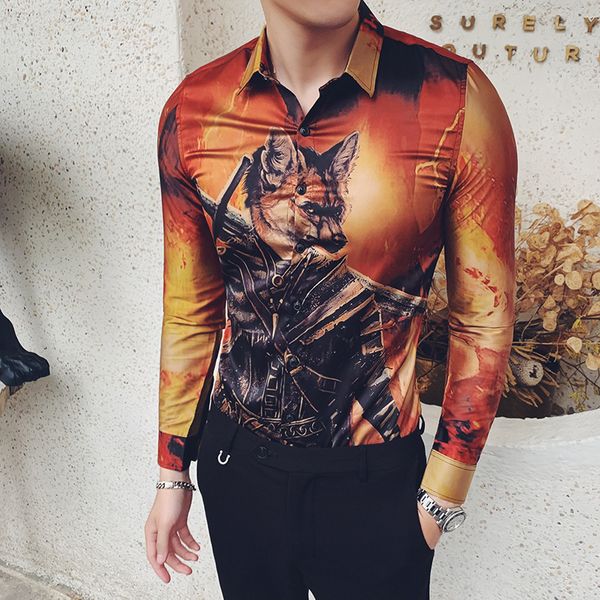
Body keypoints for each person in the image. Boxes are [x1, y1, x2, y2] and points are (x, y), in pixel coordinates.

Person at [144, 1, 517, 598]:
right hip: (238, 468)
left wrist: (440, 500)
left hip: (374, 481)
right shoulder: (194, 110)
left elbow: (484, 317)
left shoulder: (453, 99)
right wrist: (172, 472)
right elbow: (191, 309)